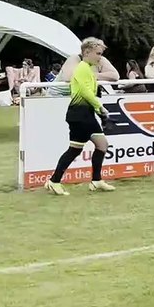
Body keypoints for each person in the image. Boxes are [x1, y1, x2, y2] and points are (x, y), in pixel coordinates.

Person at [44, 37, 116, 195]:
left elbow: (91, 93)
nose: (100, 57)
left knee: (93, 146)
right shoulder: (82, 68)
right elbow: (85, 92)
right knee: (86, 147)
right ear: (87, 52)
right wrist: (101, 109)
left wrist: (99, 112)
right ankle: (55, 181)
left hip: (83, 113)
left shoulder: (87, 69)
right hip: (80, 114)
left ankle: (94, 181)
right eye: (98, 53)